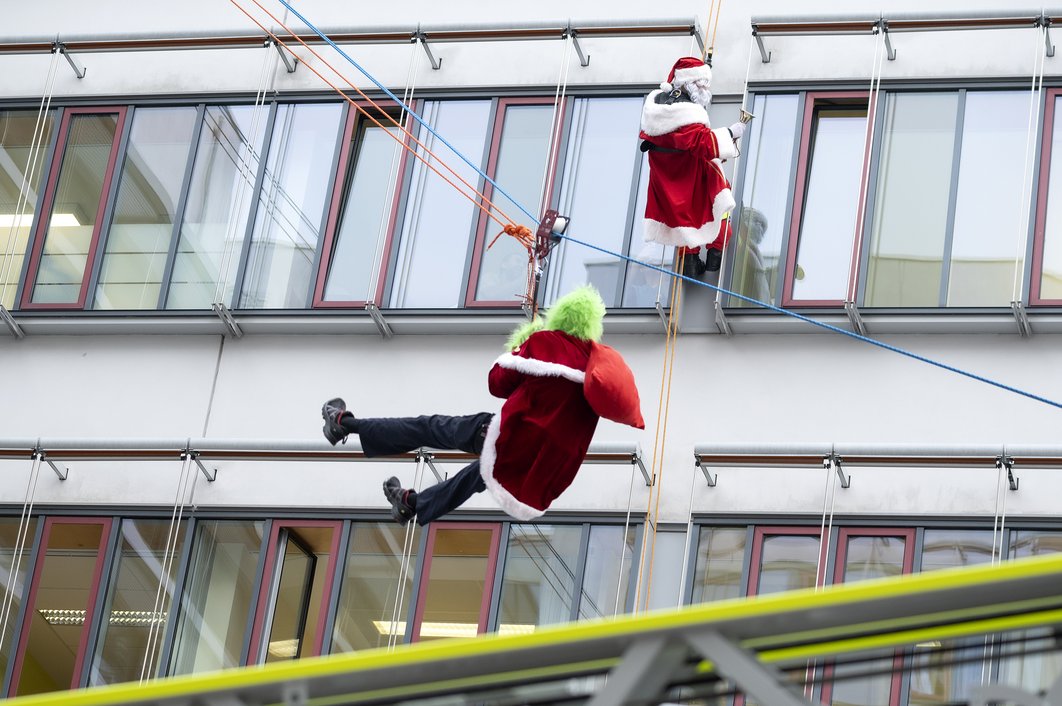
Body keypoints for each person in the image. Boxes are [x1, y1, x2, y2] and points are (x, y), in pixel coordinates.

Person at [321, 285, 644, 526]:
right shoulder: (592, 371)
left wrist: (523, 343)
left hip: (504, 432)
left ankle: (345, 425)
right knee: (477, 477)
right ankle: (412, 504)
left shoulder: (547, 343)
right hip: (530, 461)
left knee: (428, 427)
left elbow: (497, 383)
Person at [639, 56, 746, 277]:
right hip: (688, 177)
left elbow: (683, 143)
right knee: (716, 207)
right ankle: (713, 259)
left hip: (668, 177)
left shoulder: (659, 106)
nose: (706, 89)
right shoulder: (686, 112)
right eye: (703, 84)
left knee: (686, 223)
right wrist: (730, 133)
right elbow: (701, 143)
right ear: (691, 83)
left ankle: (691, 259)